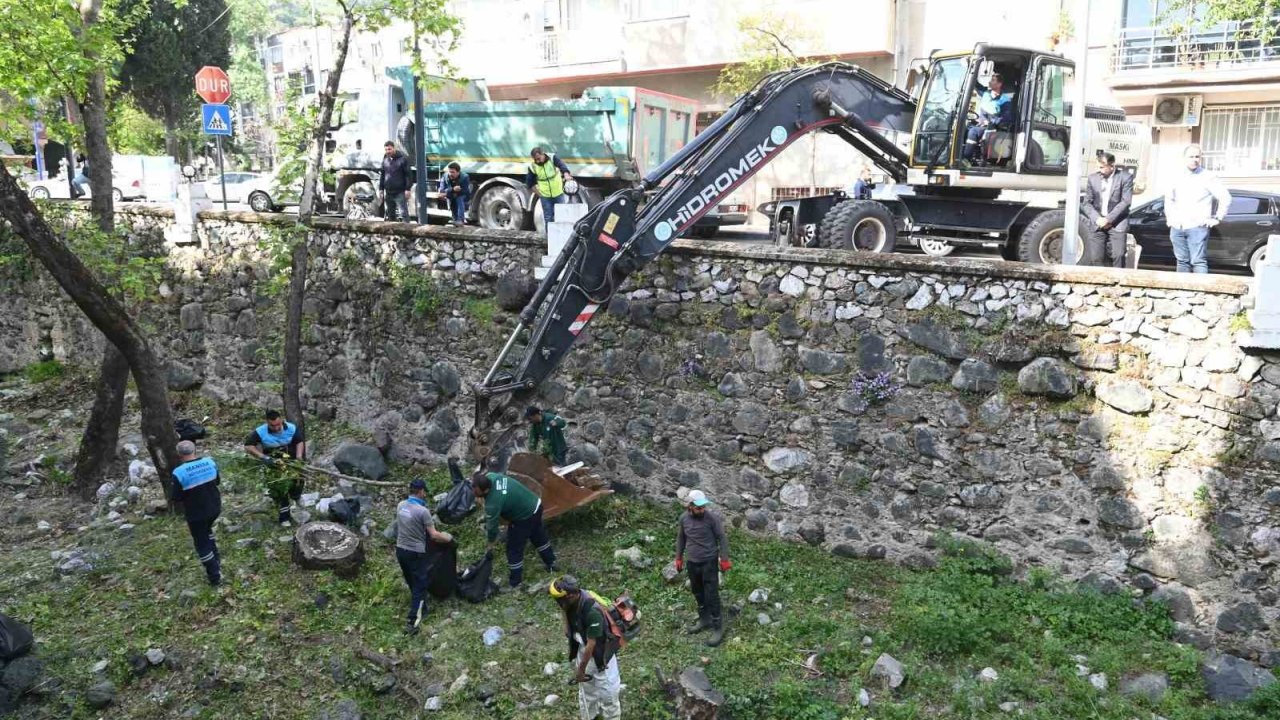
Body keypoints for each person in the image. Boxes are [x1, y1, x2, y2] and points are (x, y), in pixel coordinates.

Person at [549, 575, 622, 720]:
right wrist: (564, 610)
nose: (558, 603)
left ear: (570, 595)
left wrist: (581, 670)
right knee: (587, 694)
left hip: (601, 655)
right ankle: (590, 716)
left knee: (609, 695)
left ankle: (612, 716)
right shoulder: (570, 603)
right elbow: (567, 631)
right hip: (584, 650)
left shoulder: (591, 611)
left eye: (560, 600)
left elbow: (592, 644)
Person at [473, 469, 557, 588]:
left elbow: (492, 528)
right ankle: (552, 563)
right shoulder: (492, 476)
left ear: (486, 490)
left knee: (514, 549)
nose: (473, 492)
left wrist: (490, 545)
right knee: (538, 535)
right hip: (535, 504)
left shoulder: (493, 502)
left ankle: (515, 583)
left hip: (524, 517)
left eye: (476, 490)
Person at [395, 478, 454, 635]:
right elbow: (434, 535)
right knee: (420, 585)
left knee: (411, 580)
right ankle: (413, 621)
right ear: (421, 491)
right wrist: (448, 538)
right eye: (424, 491)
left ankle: (422, 607)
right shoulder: (423, 511)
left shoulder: (401, 506)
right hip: (415, 552)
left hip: (400, 549)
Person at [674, 489, 731, 647]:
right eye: (699, 507)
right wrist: (678, 557)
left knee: (711, 593)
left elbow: (722, 538)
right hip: (693, 562)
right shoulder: (683, 519)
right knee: (697, 591)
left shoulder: (712, 519)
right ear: (690, 506)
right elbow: (681, 538)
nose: (702, 509)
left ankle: (718, 626)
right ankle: (704, 619)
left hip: (709, 562)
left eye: (703, 507)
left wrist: (724, 559)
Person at [1164, 143, 1231, 274]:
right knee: (1182, 261)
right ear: (1184, 158)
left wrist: (1217, 218)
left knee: (1198, 261)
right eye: (1191, 156)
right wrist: (1170, 219)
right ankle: (1182, 292)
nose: (1194, 159)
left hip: (1197, 227)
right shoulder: (1175, 175)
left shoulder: (1208, 177)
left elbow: (1225, 197)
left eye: (1197, 157)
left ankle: (1201, 294)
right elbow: (1168, 198)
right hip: (1177, 226)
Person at [171, 440, 223, 586]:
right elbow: (217, 481)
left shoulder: (178, 473)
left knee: (201, 542)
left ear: (179, 454)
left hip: (196, 514)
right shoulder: (210, 462)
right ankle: (216, 559)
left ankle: (215, 575)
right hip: (215, 508)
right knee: (207, 531)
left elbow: (176, 497)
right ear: (195, 450)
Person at [243, 410, 307, 524]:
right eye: (273, 426)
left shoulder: (291, 428)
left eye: (278, 424)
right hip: (274, 464)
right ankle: (284, 517)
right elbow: (248, 446)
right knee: (280, 489)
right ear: (267, 422)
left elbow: (299, 441)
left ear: (281, 419)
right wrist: (263, 457)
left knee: (298, 481)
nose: (277, 428)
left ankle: (296, 497)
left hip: (292, 461)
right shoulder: (260, 431)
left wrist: (298, 457)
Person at [1082, 152, 1134, 268]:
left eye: (1102, 167)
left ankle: (1118, 283)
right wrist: (1097, 219)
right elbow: (1086, 203)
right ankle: (1099, 283)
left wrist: (1108, 219)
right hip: (1098, 222)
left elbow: (1125, 202)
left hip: (1117, 222)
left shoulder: (1125, 178)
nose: (1099, 170)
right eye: (1098, 167)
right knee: (1096, 257)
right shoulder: (1093, 179)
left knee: (1118, 255)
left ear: (1112, 166)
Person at [962, 73, 1014, 164]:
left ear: (999, 84)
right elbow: (976, 84)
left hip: (993, 127)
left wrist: (989, 121)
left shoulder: (1005, 100)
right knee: (962, 129)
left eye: (993, 80)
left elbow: (1005, 118)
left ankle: (966, 158)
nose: (990, 82)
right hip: (981, 124)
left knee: (973, 132)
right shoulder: (985, 93)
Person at [524, 146, 573, 225]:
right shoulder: (532, 166)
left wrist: (566, 174)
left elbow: (562, 166)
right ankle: (549, 236)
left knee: (561, 216)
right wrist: (539, 194)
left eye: (539, 158)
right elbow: (530, 183)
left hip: (558, 193)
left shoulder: (552, 158)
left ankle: (561, 236)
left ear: (543, 154)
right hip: (545, 196)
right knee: (548, 217)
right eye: (535, 159)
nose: (537, 161)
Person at [379, 140, 411, 221]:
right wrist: (381, 189)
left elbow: (408, 175)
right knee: (390, 214)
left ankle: (407, 232)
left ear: (394, 148)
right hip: (388, 192)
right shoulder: (385, 160)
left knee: (403, 213)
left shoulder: (403, 159)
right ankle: (393, 232)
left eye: (389, 149)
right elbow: (382, 175)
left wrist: (408, 189)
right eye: (386, 150)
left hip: (400, 192)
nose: (387, 151)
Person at [438, 161, 471, 226]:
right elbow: (442, 191)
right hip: (451, 194)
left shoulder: (464, 177)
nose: (450, 174)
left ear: (458, 172)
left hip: (462, 195)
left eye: (453, 172)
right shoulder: (445, 176)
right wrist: (452, 190)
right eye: (449, 171)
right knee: (452, 202)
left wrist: (449, 192)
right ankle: (455, 219)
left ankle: (460, 220)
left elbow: (464, 191)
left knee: (459, 198)